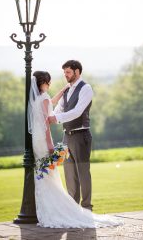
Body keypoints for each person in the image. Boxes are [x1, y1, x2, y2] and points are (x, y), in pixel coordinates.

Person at [28, 70, 123, 228]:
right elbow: (47, 124)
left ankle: (45, 209)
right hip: (43, 140)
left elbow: (50, 104)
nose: (50, 84)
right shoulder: (44, 98)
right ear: (43, 82)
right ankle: (60, 209)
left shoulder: (37, 99)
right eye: (48, 81)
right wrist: (50, 144)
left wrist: (62, 90)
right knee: (51, 174)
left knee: (43, 173)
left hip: (35, 140)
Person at [48, 60, 93, 211]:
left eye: (68, 72)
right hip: (66, 136)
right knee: (69, 173)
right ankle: (74, 209)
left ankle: (86, 208)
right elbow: (59, 108)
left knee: (83, 172)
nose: (65, 75)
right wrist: (50, 117)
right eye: (64, 73)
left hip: (81, 135)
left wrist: (57, 119)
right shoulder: (67, 90)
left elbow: (78, 112)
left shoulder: (86, 88)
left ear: (77, 72)